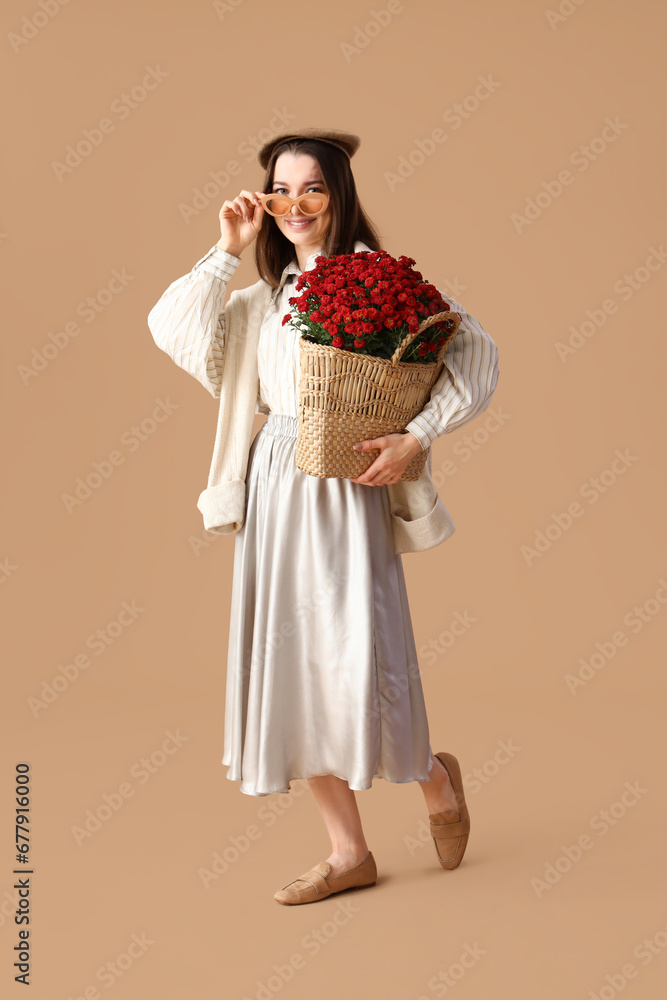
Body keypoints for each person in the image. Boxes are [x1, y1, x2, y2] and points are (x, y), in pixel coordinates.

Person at [147, 126, 499, 905]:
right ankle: (348, 854)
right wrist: (227, 246)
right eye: (281, 189)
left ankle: (433, 776)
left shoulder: (379, 279)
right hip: (275, 480)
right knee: (290, 666)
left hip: (346, 485)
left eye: (312, 187)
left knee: (364, 655)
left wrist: (416, 435)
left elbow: (473, 353)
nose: (295, 203)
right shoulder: (261, 301)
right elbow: (169, 327)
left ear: (338, 195)